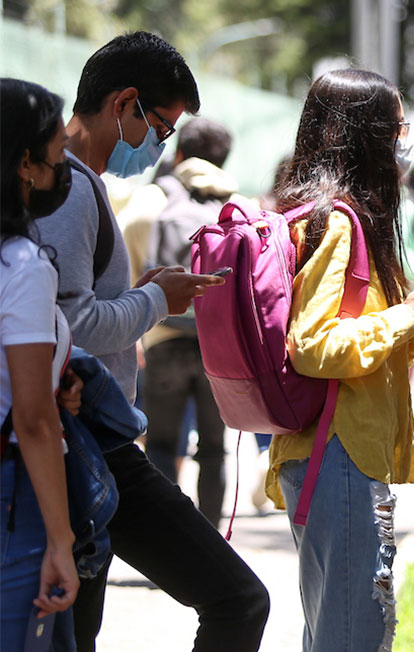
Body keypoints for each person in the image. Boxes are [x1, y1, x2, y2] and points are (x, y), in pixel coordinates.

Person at [35, 32, 269, 651]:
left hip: (87, 440)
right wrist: (154, 301)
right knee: (237, 599)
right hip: (85, 444)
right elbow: (67, 328)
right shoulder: (70, 187)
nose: (159, 148)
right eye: (161, 129)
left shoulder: (77, 183)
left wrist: (141, 294)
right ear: (125, 104)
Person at [264, 68, 414, 651]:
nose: (403, 143)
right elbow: (315, 346)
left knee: (338, 628)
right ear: (367, 136)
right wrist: (406, 318)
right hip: (337, 454)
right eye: (397, 129)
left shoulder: (337, 218)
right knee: (352, 634)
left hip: (337, 454)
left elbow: (357, 336)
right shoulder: (340, 224)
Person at [123, 117, 239, 527]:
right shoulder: (239, 205)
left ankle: (169, 543)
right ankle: (211, 548)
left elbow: (122, 275)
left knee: (160, 445)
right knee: (213, 448)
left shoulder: (148, 202)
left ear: (179, 154)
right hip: (219, 348)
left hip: (161, 340)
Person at [0, 78, 80, 651]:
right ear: (25, 164)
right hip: (10, 497)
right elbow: (31, 418)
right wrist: (60, 539)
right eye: (56, 157)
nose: (63, 170)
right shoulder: (22, 265)